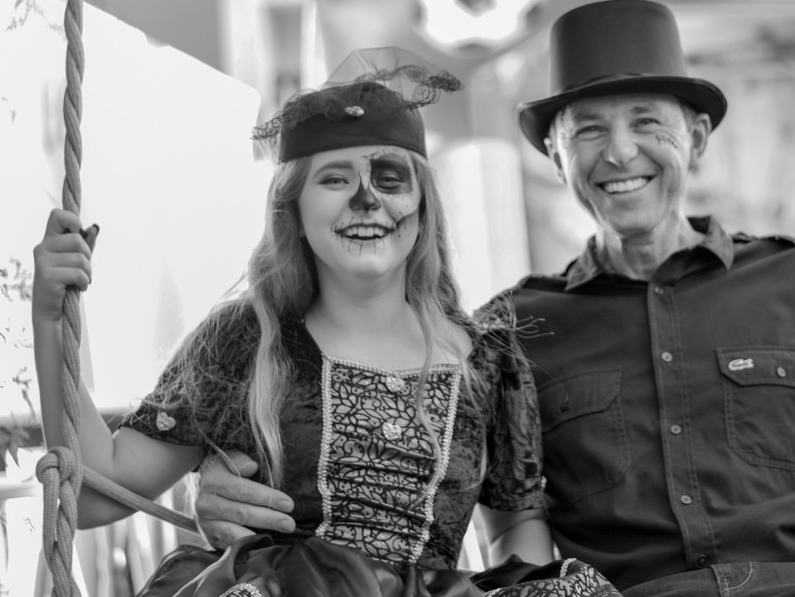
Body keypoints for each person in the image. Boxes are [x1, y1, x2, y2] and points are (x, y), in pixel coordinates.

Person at [192, 2, 795, 597]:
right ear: (557, 157)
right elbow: (400, 480)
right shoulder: (507, 335)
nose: (619, 153)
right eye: (587, 131)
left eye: (647, 123)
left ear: (696, 137)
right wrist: (228, 489)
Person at [31, 47, 617, 597]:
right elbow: (97, 493)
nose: (366, 200)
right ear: (294, 208)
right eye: (335, 179)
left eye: (390, 178)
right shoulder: (245, 341)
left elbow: (514, 527)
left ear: (423, 206)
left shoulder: (488, 361)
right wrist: (51, 320)